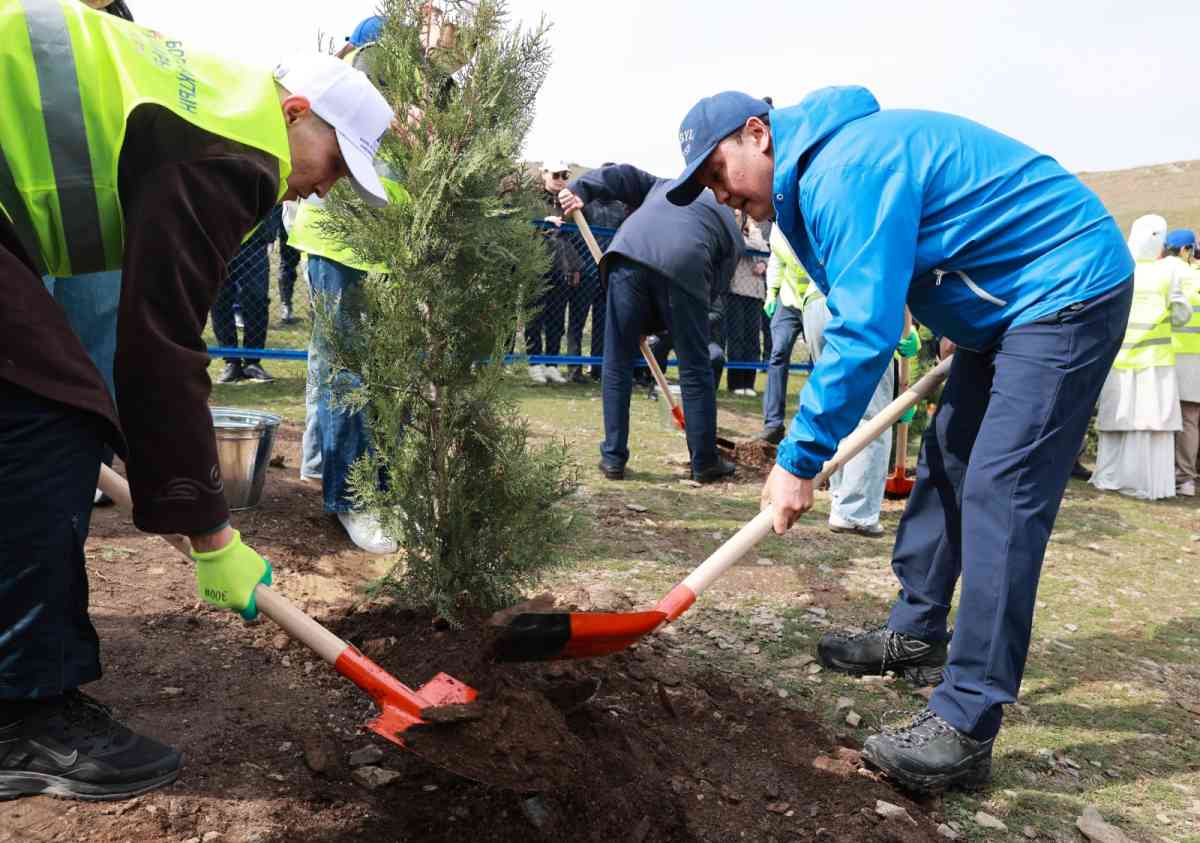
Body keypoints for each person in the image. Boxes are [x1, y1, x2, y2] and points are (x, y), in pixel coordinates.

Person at [666, 87, 1133, 791]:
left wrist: (799, 458)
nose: (720, 194)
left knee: (1000, 492)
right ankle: (919, 630)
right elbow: (889, 282)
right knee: (947, 462)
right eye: (704, 185)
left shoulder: (843, 169)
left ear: (757, 134)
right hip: (1005, 311)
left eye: (717, 171)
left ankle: (968, 718)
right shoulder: (812, 177)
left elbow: (862, 330)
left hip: (1065, 289)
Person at [0, 0, 393, 801]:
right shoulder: (233, 149)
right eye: (334, 164)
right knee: (54, 419)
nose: (321, 191)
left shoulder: (209, 101)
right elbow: (163, 345)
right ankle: (22, 719)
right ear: (295, 111)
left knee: (43, 412)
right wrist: (213, 537)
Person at [289, 19, 412, 555]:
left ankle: (323, 466)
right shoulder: (374, 67)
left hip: (371, 240)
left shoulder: (414, 81)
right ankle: (353, 498)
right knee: (351, 372)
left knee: (335, 363)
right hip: (348, 240)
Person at [557, 164, 742, 483]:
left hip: (625, 256)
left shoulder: (663, 185)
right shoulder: (731, 225)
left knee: (616, 363)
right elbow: (710, 296)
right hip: (685, 263)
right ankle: (705, 461)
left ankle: (613, 458)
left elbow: (620, 175)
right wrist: (663, 323)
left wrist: (579, 189)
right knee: (695, 369)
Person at [802, 285, 920, 536]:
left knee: (836, 406)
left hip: (816, 302)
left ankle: (841, 494)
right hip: (862, 301)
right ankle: (856, 512)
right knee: (872, 416)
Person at [1090, 217, 1191, 499]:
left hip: (1119, 359)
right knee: (1152, 423)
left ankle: (1111, 477)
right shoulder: (1167, 272)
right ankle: (1150, 484)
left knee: (1117, 420)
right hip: (1154, 361)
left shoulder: (1120, 268)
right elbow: (1183, 316)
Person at [568, 167, 630, 383]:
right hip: (586, 271)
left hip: (607, 273)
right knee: (577, 321)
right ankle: (574, 368)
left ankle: (598, 368)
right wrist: (581, 263)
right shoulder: (586, 205)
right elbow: (573, 235)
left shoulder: (620, 209)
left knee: (603, 324)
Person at [526, 161, 583, 385]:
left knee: (557, 319)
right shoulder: (531, 200)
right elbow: (521, 226)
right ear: (545, 174)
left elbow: (576, 238)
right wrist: (543, 222)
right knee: (535, 318)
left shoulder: (567, 202)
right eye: (556, 175)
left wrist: (576, 266)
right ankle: (535, 363)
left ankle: (551, 363)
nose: (561, 179)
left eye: (565, 175)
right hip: (537, 267)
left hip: (562, 268)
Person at [211, 204, 280, 383]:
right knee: (219, 300)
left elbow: (276, 194)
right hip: (219, 239)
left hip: (255, 240)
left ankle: (253, 362)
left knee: (257, 298)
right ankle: (231, 362)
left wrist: (270, 232)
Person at [759, 226, 809, 443]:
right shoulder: (779, 225)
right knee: (778, 354)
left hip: (817, 298)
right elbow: (776, 260)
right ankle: (773, 424)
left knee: (820, 360)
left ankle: (812, 425)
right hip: (788, 300)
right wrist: (772, 293)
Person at [1166, 230, 1200, 495]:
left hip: (1165, 353)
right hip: (1195, 358)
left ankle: (1161, 472)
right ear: (1187, 249)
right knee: (1190, 418)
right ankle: (1185, 478)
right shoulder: (1195, 275)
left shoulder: (1162, 272)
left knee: (1165, 416)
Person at [725, 212, 769, 395]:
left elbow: (765, 251)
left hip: (756, 293)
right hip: (736, 291)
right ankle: (735, 383)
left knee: (752, 339)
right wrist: (753, 230)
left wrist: (764, 264)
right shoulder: (734, 232)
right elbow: (745, 245)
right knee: (737, 338)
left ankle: (748, 383)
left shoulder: (754, 234)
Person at [277, 200, 302, 324]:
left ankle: (286, 307)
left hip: (298, 210)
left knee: (288, 264)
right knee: (287, 263)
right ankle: (286, 306)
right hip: (291, 211)